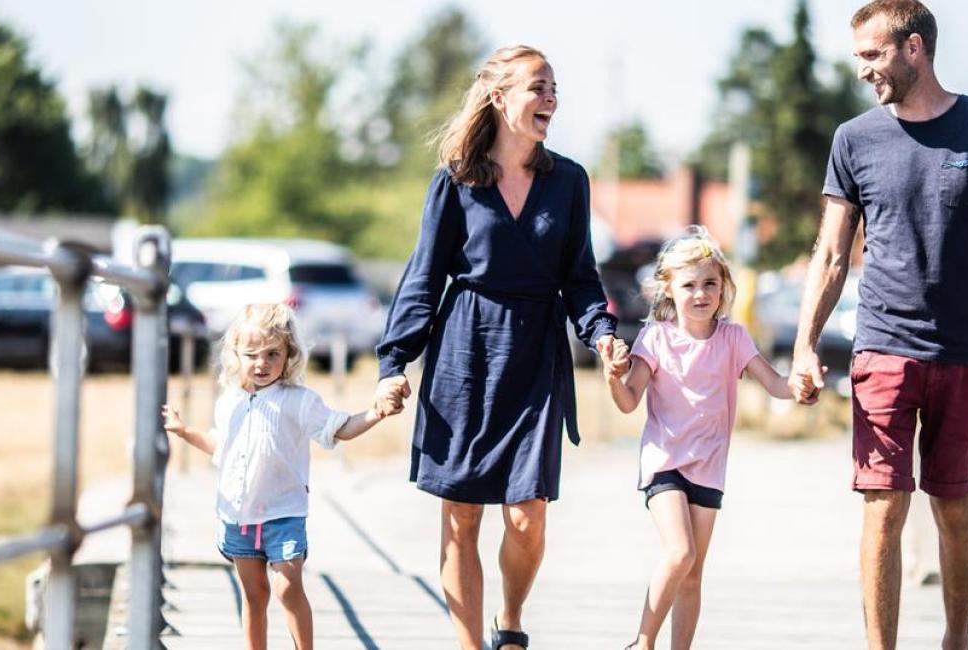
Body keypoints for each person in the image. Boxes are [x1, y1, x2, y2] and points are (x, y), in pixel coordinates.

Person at [789, 2, 968, 649]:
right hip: (882, 347)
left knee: (953, 508)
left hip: (964, 351)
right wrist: (803, 343)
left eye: (872, 56)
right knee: (882, 508)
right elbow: (828, 253)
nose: (862, 72)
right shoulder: (854, 140)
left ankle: (956, 638)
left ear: (914, 49)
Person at [373, 45, 623, 650]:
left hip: (536, 354)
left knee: (526, 514)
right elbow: (424, 276)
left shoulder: (569, 181)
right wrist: (393, 363)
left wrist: (604, 332)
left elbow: (580, 276)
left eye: (554, 88)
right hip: (464, 353)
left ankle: (509, 620)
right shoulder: (456, 180)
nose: (551, 99)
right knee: (460, 515)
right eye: (538, 87)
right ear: (499, 97)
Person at [163, 303, 403, 650]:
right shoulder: (229, 400)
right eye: (252, 354)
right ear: (236, 356)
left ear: (289, 354)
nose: (261, 363)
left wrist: (376, 413)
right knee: (254, 594)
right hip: (238, 516)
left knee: (288, 588)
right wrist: (185, 432)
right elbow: (221, 445)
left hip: (284, 513)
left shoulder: (300, 400)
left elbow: (341, 429)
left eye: (272, 353)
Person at [603, 227, 792, 650]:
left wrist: (800, 385)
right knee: (680, 553)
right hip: (664, 463)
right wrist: (613, 378)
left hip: (709, 468)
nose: (701, 293)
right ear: (669, 289)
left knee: (692, 575)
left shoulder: (734, 338)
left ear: (723, 285)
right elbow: (629, 400)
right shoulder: (655, 337)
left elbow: (775, 384)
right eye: (689, 285)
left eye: (710, 283)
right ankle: (643, 641)